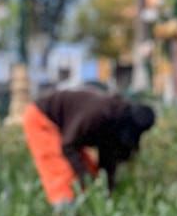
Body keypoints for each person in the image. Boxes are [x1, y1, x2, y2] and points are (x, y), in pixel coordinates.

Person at [22, 88, 156, 207]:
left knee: (90, 174)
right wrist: (88, 181)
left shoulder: (115, 124)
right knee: (63, 175)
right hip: (42, 118)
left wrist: (107, 189)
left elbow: (107, 159)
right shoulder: (98, 114)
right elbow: (68, 146)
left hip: (69, 134)